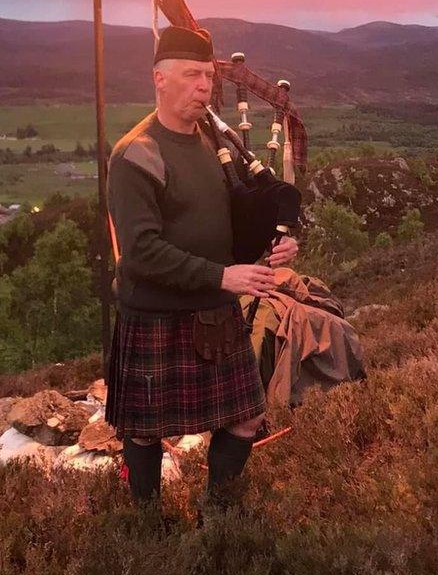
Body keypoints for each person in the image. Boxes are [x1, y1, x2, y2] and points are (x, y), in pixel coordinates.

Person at [104, 25, 299, 511]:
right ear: (159, 79)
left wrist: (276, 243)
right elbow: (142, 252)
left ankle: (217, 517)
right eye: (192, 75)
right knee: (145, 432)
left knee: (246, 419)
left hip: (214, 309)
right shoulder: (137, 154)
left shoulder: (218, 145)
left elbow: (237, 217)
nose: (204, 87)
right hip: (156, 313)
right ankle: (146, 526)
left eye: (209, 77)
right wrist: (222, 275)